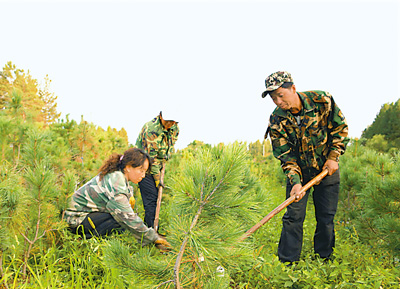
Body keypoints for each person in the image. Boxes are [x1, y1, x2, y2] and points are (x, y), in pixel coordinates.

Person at [262, 71, 349, 264]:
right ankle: (287, 263)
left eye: (280, 95)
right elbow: (285, 155)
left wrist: (334, 157)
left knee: (326, 218)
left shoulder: (322, 100)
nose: (277, 101)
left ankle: (323, 259)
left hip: (327, 169)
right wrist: (295, 182)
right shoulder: (276, 120)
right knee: (293, 217)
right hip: (299, 174)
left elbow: (340, 129)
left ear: (293, 88)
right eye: (273, 98)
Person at [64, 147, 169, 249]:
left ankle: (101, 242)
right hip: (74, 219)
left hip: (85, 215)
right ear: (128, 167)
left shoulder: (119, 177)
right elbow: (127, 217)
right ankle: (87, 242)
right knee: (119, 220)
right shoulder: (116, 181)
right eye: (141, 170)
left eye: (145, 172)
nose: (143, 175)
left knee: (121, 221)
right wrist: (153, 238)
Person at [135, 112, 179, 229]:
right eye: (168, 121)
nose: (170, 124)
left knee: (155, 199)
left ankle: (151, 230)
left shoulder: (175, 127)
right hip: (143, 166)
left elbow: (171, 143)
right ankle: (149, 233)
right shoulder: (152, 129)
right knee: (152, 199)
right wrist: (157, 179)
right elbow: (151, 159)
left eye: (173, 121)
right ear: (161, 116)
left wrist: (165, 157)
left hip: (157, 166)